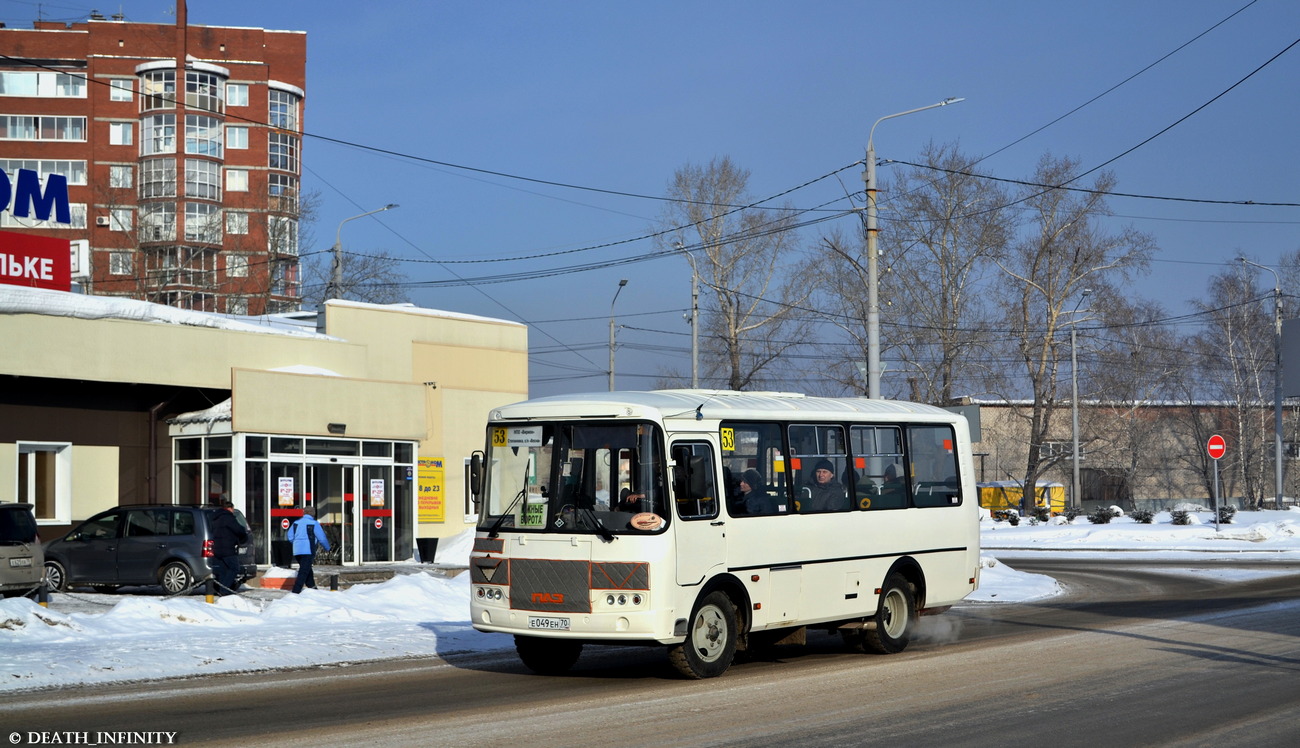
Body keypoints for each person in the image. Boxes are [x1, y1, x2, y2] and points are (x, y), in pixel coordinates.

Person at [287, 508, 331, 594]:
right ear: (313, 514)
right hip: (308, 550)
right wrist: (327, 548)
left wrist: (296, 543)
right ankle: (296, 591)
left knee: (307, 569)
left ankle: (312, 588)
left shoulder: (296, 523)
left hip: (297, 551)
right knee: (303, 571)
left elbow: (290, 536)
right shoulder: (314, 523)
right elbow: (322, 538)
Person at [209, 500, 249, 596]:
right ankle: (224, 590)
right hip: (227, 548)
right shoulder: (228, 518)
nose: (233, 511)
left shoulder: (215, 518)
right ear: (230, 508)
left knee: (223, 570)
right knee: (234, 568)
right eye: (233, 509)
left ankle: (221, 590)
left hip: (217, 548)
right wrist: (243, 536)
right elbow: (239, 529)